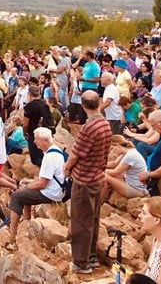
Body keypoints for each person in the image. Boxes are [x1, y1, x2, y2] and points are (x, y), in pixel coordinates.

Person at [64, 90, 111, 274]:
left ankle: (81, 262)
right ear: (98, 102)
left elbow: (75, 153)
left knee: (81, 221)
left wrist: (67, 168)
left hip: (83, 179)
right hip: (97, 176)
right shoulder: (105, 124)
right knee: (93, 218)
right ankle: (91, 256)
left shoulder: (88, 127)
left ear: (83, 106)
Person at [8, 127, 65, 242]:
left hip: (51, 193)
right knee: (26, 188)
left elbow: (43, 184)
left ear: (45, 141)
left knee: (16, 196)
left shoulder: (49, 157)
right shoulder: (56, 151)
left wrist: (27, 186)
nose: (34, 142)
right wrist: (28, 183)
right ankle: (26, 221)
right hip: (58, 188)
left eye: (37, 139)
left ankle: (12, 231)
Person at [103, 135, 149, 200]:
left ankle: (99, 202)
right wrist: (99, 165)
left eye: (112, 148)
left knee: (104, 176)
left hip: (136, 189)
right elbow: (114, 163)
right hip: (133, 184)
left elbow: (115, 172)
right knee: (107, 174)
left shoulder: (130, 155)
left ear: (118, 145)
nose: (113, 151)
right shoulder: (129, 151)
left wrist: (100, 171)